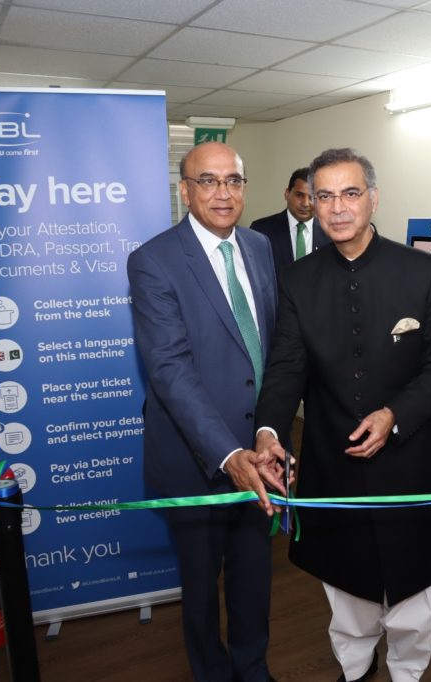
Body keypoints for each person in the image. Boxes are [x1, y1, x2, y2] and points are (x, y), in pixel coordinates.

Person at [254, 148, 431, 682]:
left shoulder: (420, 270)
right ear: (312, 203)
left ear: (373, 198)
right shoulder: (298, 280)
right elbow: (285, 369)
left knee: (417, 595)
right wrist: (268, 432)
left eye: (350, 194)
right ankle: (354, 668)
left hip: (411, 459)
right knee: (346, 593)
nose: (338, 208)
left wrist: (394, 414)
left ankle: (408, 671)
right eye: (324, 196)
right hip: (333, 463)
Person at [127, 141, 284, 682]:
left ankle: (253, 668)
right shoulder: (153, 260)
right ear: (185, 189)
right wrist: (228, 452)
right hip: (196, 461)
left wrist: (266, 432)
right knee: (201, 589)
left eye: (234, 181)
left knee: (253, 579)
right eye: (209, 181)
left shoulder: (261, 247)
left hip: (259, 460)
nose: (224, 193)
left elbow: (267, 353)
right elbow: (169, 370)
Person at [249, 167, 329, 274]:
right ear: (287, 194)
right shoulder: (261, 230)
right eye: (299, 195)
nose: (305, 203)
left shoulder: (331, 235)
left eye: (312, 197)